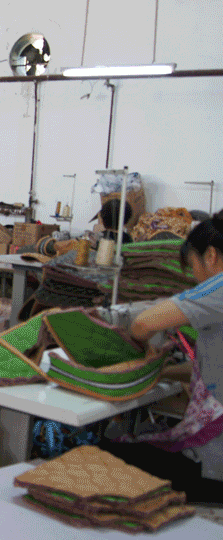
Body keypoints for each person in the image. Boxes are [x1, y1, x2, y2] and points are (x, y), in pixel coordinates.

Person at [100, 210, 223, 501]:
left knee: (101, 455)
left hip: (213, 468)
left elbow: (143, 323)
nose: (195, 278)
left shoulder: (218, 286)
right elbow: (212, 369)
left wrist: (134, 351)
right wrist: (162, 369)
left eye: (193, 266)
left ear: (210, 256)